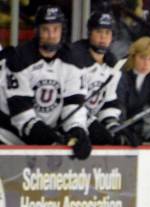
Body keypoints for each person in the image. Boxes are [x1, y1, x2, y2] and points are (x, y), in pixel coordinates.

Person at [0, 5, 91, 159]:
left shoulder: (73, 61)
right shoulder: (19, 59)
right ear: (37, 31)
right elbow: (22, 116)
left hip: (44, 135)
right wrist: (53, 140)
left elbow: (74, 106)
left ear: (63, 31)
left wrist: (77, 131)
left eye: (55, 29)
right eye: (45, 30)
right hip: (8, 137)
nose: (51, 35)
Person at [71, 11, 136, 146]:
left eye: (107, 33)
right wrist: (91, 124)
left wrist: (112, 124)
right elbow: (70, 103)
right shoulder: (74, 59)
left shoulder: (113, 65)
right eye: (99, 31)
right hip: (68, 125)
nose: (103, 37)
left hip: (88, 122)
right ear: (89, 33)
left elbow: (108, 102)